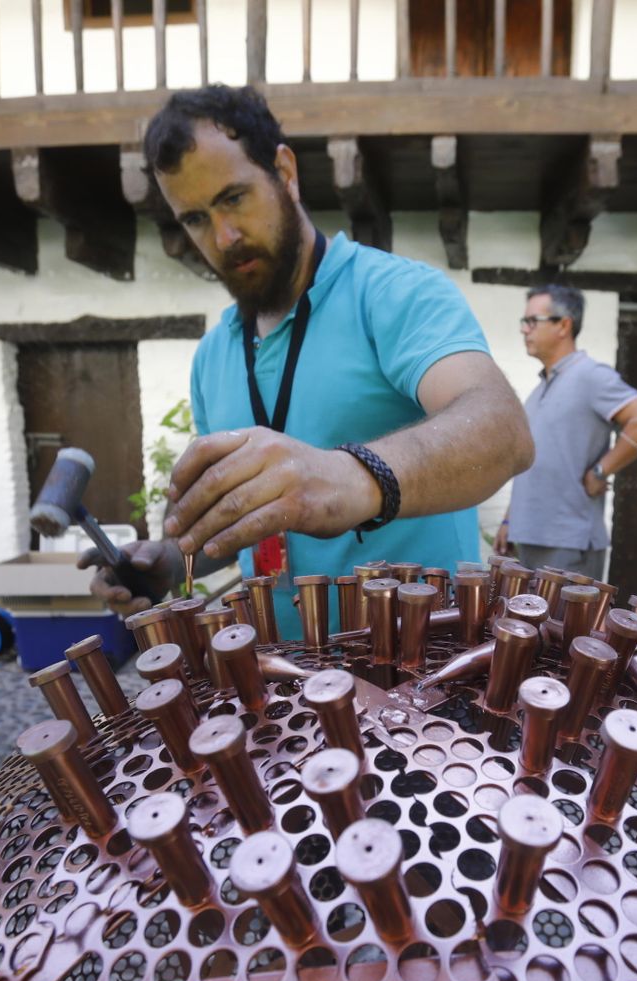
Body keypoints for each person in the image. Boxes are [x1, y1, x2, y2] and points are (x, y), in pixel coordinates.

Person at [81, 86, 534, 636]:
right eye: (195, 218)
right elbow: (245, 517)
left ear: (285, 172)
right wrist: (174, 562)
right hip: (282, 696)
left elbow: (504, 431)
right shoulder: (212, 356)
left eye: (234, 198)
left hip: (419, 688)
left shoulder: (393, 294)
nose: (223, 237)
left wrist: (349, 477)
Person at [493, 284, 637, 580]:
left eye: (532, 321)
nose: (525, 329)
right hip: (531, 536)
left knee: (568, 628)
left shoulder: (591, 376)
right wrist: (510, 519)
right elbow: (533, 462)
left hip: (569, 542)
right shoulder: (538, 391)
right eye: (525, 321)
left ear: (563, 325)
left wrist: (601, 471)